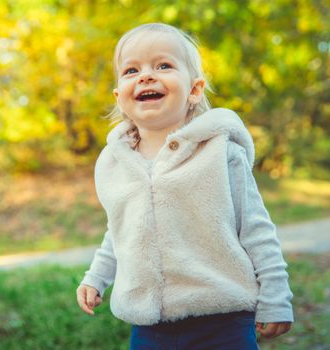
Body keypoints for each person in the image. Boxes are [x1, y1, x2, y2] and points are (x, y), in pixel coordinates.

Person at [76, 23, 294, 349]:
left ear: (194, 90)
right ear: (119, 96)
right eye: (132, 69)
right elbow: (120, 230)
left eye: (163, 65)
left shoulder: (221, 153)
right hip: (150, 328)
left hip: (223, 319)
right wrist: (96, 277)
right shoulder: (114, 163)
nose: (146, 76)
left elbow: (256, 228)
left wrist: (276, 295)